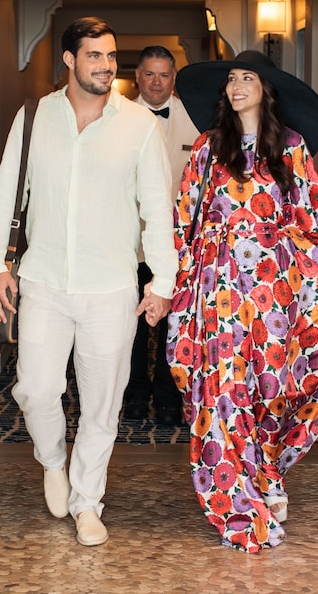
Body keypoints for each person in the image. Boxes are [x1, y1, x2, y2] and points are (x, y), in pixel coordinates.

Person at [167, 50, 318, 553]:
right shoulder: (207, 148)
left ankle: (268, 476)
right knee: (224, 392)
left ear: (265, 90)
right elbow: (184, 220)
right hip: (217, 290)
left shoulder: (290, 147)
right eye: (231, 79)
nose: (236, 86)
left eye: (247, 78)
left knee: (271, 388)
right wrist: (178, 286)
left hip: (275, 292)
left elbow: (315, 219)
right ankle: (236, 499)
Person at [0, 17, 177, 547]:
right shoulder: (34, 116)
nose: (106, 65)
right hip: (42, 282)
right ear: (69, 60)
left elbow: (158, 209)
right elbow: (6, 193)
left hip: (111, 288)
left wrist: (162, 281)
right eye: (94, 55)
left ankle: (88, 502)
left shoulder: (140, 124)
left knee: (101, 404)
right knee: (34, 388)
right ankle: (52, 461)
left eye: (111, 56)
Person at [125, 45, 201, 425]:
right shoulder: (118, 117)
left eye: (164, 75)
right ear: (138, 76)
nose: (157, 82)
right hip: (132, 240)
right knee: (133, 324)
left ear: (174, 79)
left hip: (181, 243)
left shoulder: (196, 119)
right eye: (150, 74)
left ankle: (170, 397)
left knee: (176, 323)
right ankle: (135, 394)